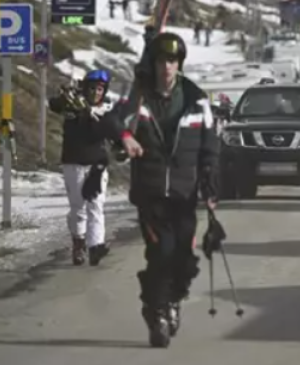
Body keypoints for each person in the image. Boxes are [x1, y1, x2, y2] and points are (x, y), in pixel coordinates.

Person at [107, 32, 219, 349]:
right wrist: (126, 137)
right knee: (161, 252)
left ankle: (173, 300)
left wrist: (211, 181)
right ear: (153, 64)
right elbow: (115, 120)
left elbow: (210, 147)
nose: (166, 67)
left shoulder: (197, 100)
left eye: (172, 61)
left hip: (185, 196)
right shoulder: (139, 98)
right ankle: (156, 309)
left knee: (184, 257)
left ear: (179, 64)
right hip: (151, 195)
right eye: (161, 61)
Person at [48, 69, 116, 267]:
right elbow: (53, 105)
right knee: (79, 208)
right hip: (74, 162)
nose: (96, 93)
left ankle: (96, 247)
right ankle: (79, 244)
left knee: (96, 206)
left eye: (100, 89)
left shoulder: (107, 109)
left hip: (97, 165)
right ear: (86, 88)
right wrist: (67, 99)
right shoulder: (72, 105)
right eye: (93, 88)